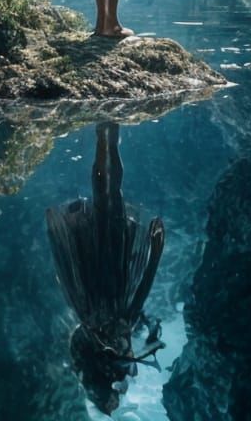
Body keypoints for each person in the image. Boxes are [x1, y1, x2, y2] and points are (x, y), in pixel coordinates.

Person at [45, 121, 165, 414]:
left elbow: (133, 304)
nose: (119, 394)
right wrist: (153, 252)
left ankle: (106, 136)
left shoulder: (91, 353)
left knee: (109, 201)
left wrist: (154, 252)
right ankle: (108, 136)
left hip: (96, 283)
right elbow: (138, 301)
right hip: (111, 282)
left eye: (112, 398)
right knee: (113, 201)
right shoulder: (118, 359)